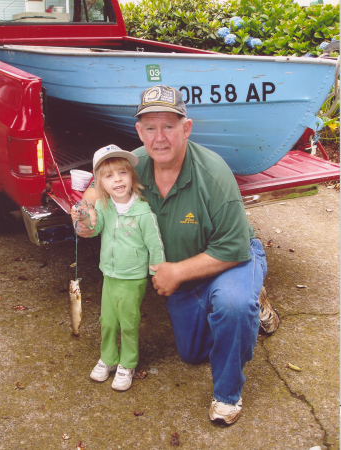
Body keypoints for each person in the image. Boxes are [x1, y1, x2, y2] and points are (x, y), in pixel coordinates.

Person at [72, 85, 279, 424]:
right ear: (139, 131)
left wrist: (177, 273)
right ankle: (247, 304)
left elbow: (233, 247)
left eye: (169, 126)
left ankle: (228, 395)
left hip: (228, 260)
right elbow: (99, 184)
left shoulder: (214, 174)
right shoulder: (136, 162)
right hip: (184, 274)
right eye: (150, 127)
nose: (160, 137)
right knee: (194, 354)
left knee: (233, 304)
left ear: (186, 128)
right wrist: (86, 210)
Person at [73, 144, 165, 391]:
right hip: (109, 274)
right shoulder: (104, 207)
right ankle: (109, 358)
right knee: (108, 320)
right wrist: (83, 218)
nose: (117, 180)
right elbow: (95, 229)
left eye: (122, 173)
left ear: (132, 176)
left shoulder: (143, 211)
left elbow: (154, 244)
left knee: (128, 321)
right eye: (109, 176)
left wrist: (158, 272)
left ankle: (127, 363)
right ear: (100, 183)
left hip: (132, 277)